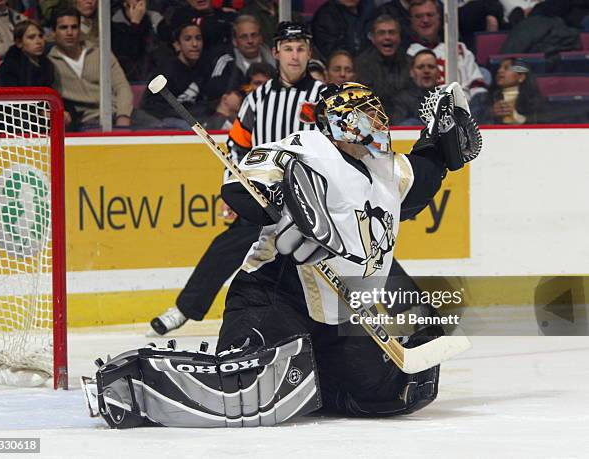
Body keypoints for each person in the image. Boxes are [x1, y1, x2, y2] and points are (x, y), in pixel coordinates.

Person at [84, 81, 481, 427]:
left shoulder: (389, 171)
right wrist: (285, 210)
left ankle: (309, 382)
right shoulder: (304, 148)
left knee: (397, 393)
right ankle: (131, 383)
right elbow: (242, 189)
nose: (376, 125)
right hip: (275, 297)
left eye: (377, 116)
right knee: (249, 389)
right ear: (339, 124)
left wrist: (440, 140)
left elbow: (428, 173)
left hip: (340, 315)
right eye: (364, 118)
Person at [149, 21, 325, 336]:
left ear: (309, 53)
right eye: (288, 49)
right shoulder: (257, 100)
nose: (295, 56)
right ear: (275, 53)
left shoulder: (324, 97)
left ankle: (403, 305)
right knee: (228, 245)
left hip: (312, 198)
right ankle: (185, 309)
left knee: (343, 250)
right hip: (265, 196)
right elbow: (237, 147)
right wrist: (233, 192)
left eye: (300, 49)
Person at [48, 7, 134, 130]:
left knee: (165, 127)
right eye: (63, 28)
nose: (69, 32)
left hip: (120, 114)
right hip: (88, 121)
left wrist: (123, 116)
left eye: (74, 27)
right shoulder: (49, 63)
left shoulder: (101, 53)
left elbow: (122, 86)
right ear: (53, 32)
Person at [406, 0, 488, 107]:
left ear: (440, 18)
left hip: (467, 111)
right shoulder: (406, 54)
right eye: (418, 16)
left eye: (430, 15)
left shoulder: (459, 48)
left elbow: (477, 85)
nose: (425, 20)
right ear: (411, 22)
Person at [140, 20, 212, 129]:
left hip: (193, 118)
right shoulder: (166, 70)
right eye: (188, 39)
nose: (195, 44)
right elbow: (150, 105)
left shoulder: (204, 68)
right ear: (177, 45)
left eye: (198, 38)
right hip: (165, 121)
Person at [354, 15, 410, 121]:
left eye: (392, 32)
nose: (387, 37)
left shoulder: (410, 63)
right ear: (373, 38)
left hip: (404, 122)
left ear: (399, 37)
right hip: (372, 121)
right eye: (381, 33)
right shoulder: (360, 64)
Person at [207, 15, 275, 100]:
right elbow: (215, 94)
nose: (250, 41)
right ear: (235, 41)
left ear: (261, 38)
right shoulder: (226, 62)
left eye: (254, 35)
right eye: (244, 37)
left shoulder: (277, 59)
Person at [111, 0, 164, 82]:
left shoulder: (154, 18)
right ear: (125, 3)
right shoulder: (115, 24)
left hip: (155, 76)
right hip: (129, 79)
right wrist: (135, 23)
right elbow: (128, 55)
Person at [0, 19, 54, 87]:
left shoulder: (48, 65)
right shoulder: (8, 69)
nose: (39, 41)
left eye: (40, 36)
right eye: (31, 37)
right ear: (19, 43)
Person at [484, 58, 544, 125]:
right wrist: (490, 113)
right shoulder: (485, 97)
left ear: (521, 77)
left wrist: (520, 119)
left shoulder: (535, 100)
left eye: (506, 68)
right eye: (499, 68)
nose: (499, 71)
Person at [395, 48, 440, 125]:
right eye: (420, 67)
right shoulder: (400, 100)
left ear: (438, 72)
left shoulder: (445, 98)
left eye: (431, 67)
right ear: (411, 72)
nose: (426, 71)